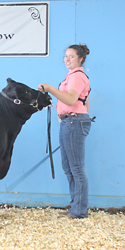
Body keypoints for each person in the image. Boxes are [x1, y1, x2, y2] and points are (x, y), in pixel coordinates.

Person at [39, 44, 92, 219]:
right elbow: (85, 101)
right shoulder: (73, 76)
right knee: (69, 167)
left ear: (80, 59)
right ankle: (75, 206)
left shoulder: (77, 76)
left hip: (74, 122)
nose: (67, 59)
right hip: (71, 121)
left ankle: (79, 211)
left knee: (76, 168)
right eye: (66, 56)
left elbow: (70, 99)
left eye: (71, 56)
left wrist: (51, 89)